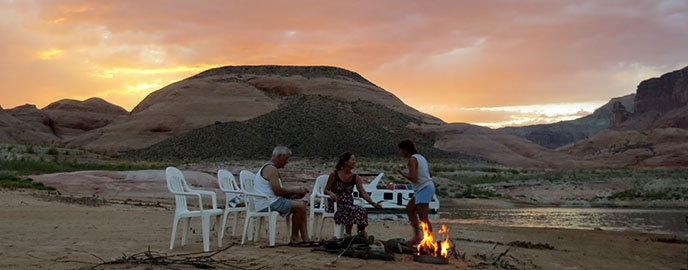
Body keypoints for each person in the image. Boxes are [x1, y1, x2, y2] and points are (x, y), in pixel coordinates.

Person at [253, 146, 313, 246]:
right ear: (279, 156)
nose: (287, 161)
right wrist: (297, 189)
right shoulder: (270, 169)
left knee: (301, 205)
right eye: (286, 158)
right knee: (300, 207)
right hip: (267, 203)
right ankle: (295, 237)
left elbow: (277, 192)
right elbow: (278, 191)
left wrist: (294, 195)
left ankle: (305, 238)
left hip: (270, 201)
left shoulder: (271, 168)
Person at [325, 152, 382, 236]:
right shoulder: (334, 174)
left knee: (362, 210)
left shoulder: (356, 177)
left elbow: (363, 193)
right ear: (345, 162)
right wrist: (331, 194)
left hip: (348, 202)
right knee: (350, 210)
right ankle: (348, 235)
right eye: (352, 160)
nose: (354, 162)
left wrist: (373, 203)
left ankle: (360, 235)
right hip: (335, 203)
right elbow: (326, 190)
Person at [396, 140, 435, 245]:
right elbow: (430, 174)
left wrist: (402, 173)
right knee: (409, 209)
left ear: (405, 150)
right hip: (425, 187)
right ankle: (417, 237)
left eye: (401, 150)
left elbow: (413, 178)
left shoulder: (412, 160)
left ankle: (428, 241)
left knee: (423, 217)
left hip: (424, 188)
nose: (401, 153)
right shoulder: (421, 157)